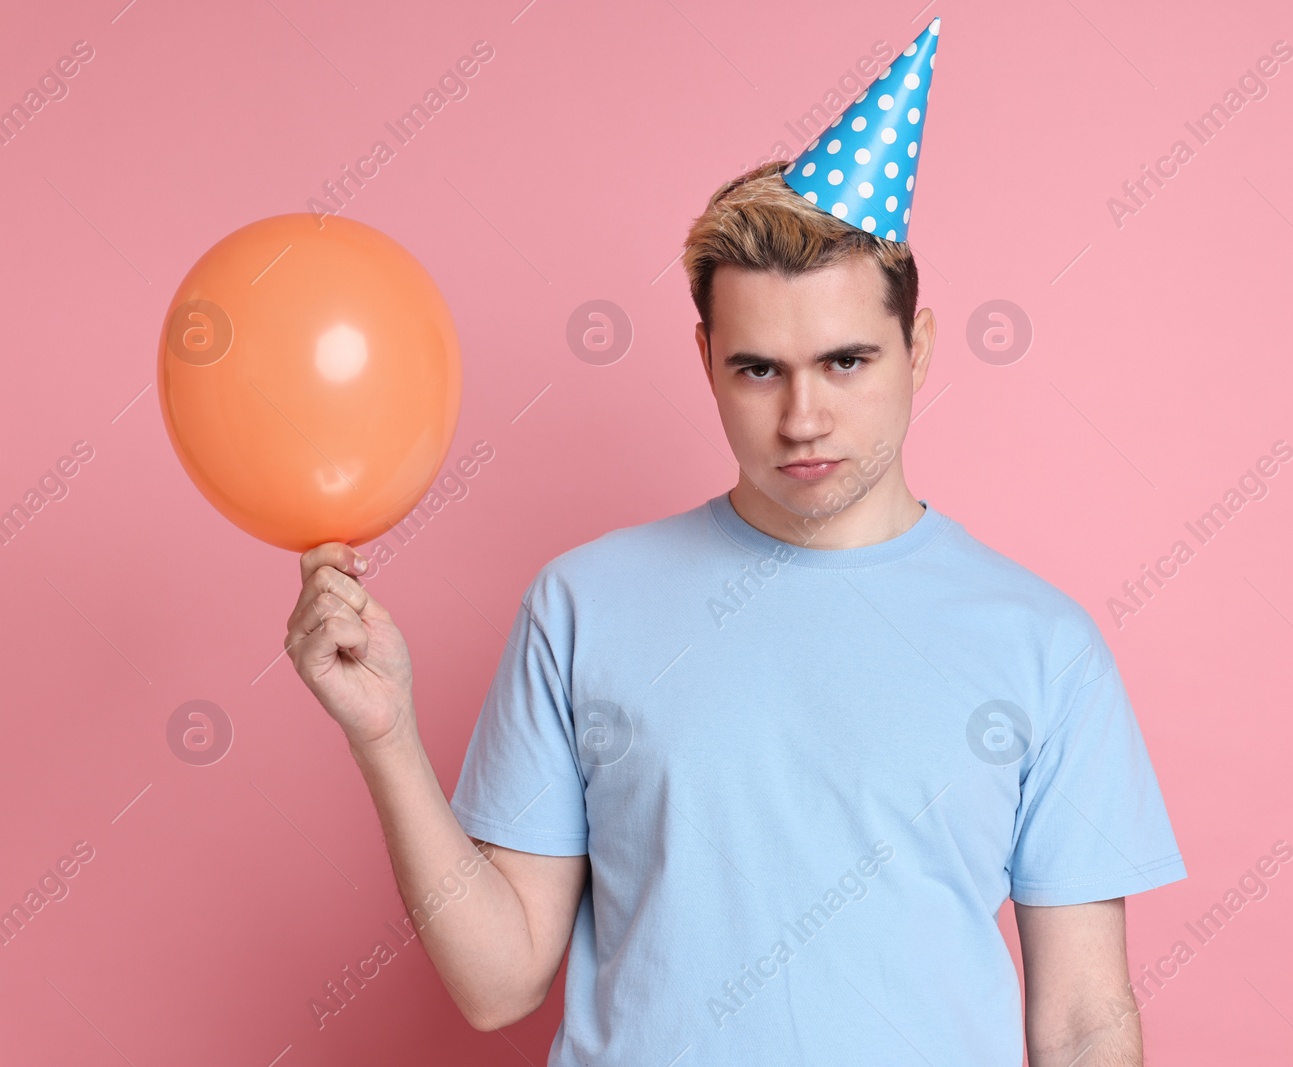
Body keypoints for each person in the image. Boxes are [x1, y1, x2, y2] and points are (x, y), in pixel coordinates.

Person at [284, 20, 1185, 1066]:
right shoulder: (583, 604)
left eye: (845, 361)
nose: (802, 416)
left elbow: (1079, 1022)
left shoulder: (1041, 644)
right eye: (759, 368)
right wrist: (384, 733)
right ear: (706, 357)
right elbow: (497, 983)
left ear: (918, 347)